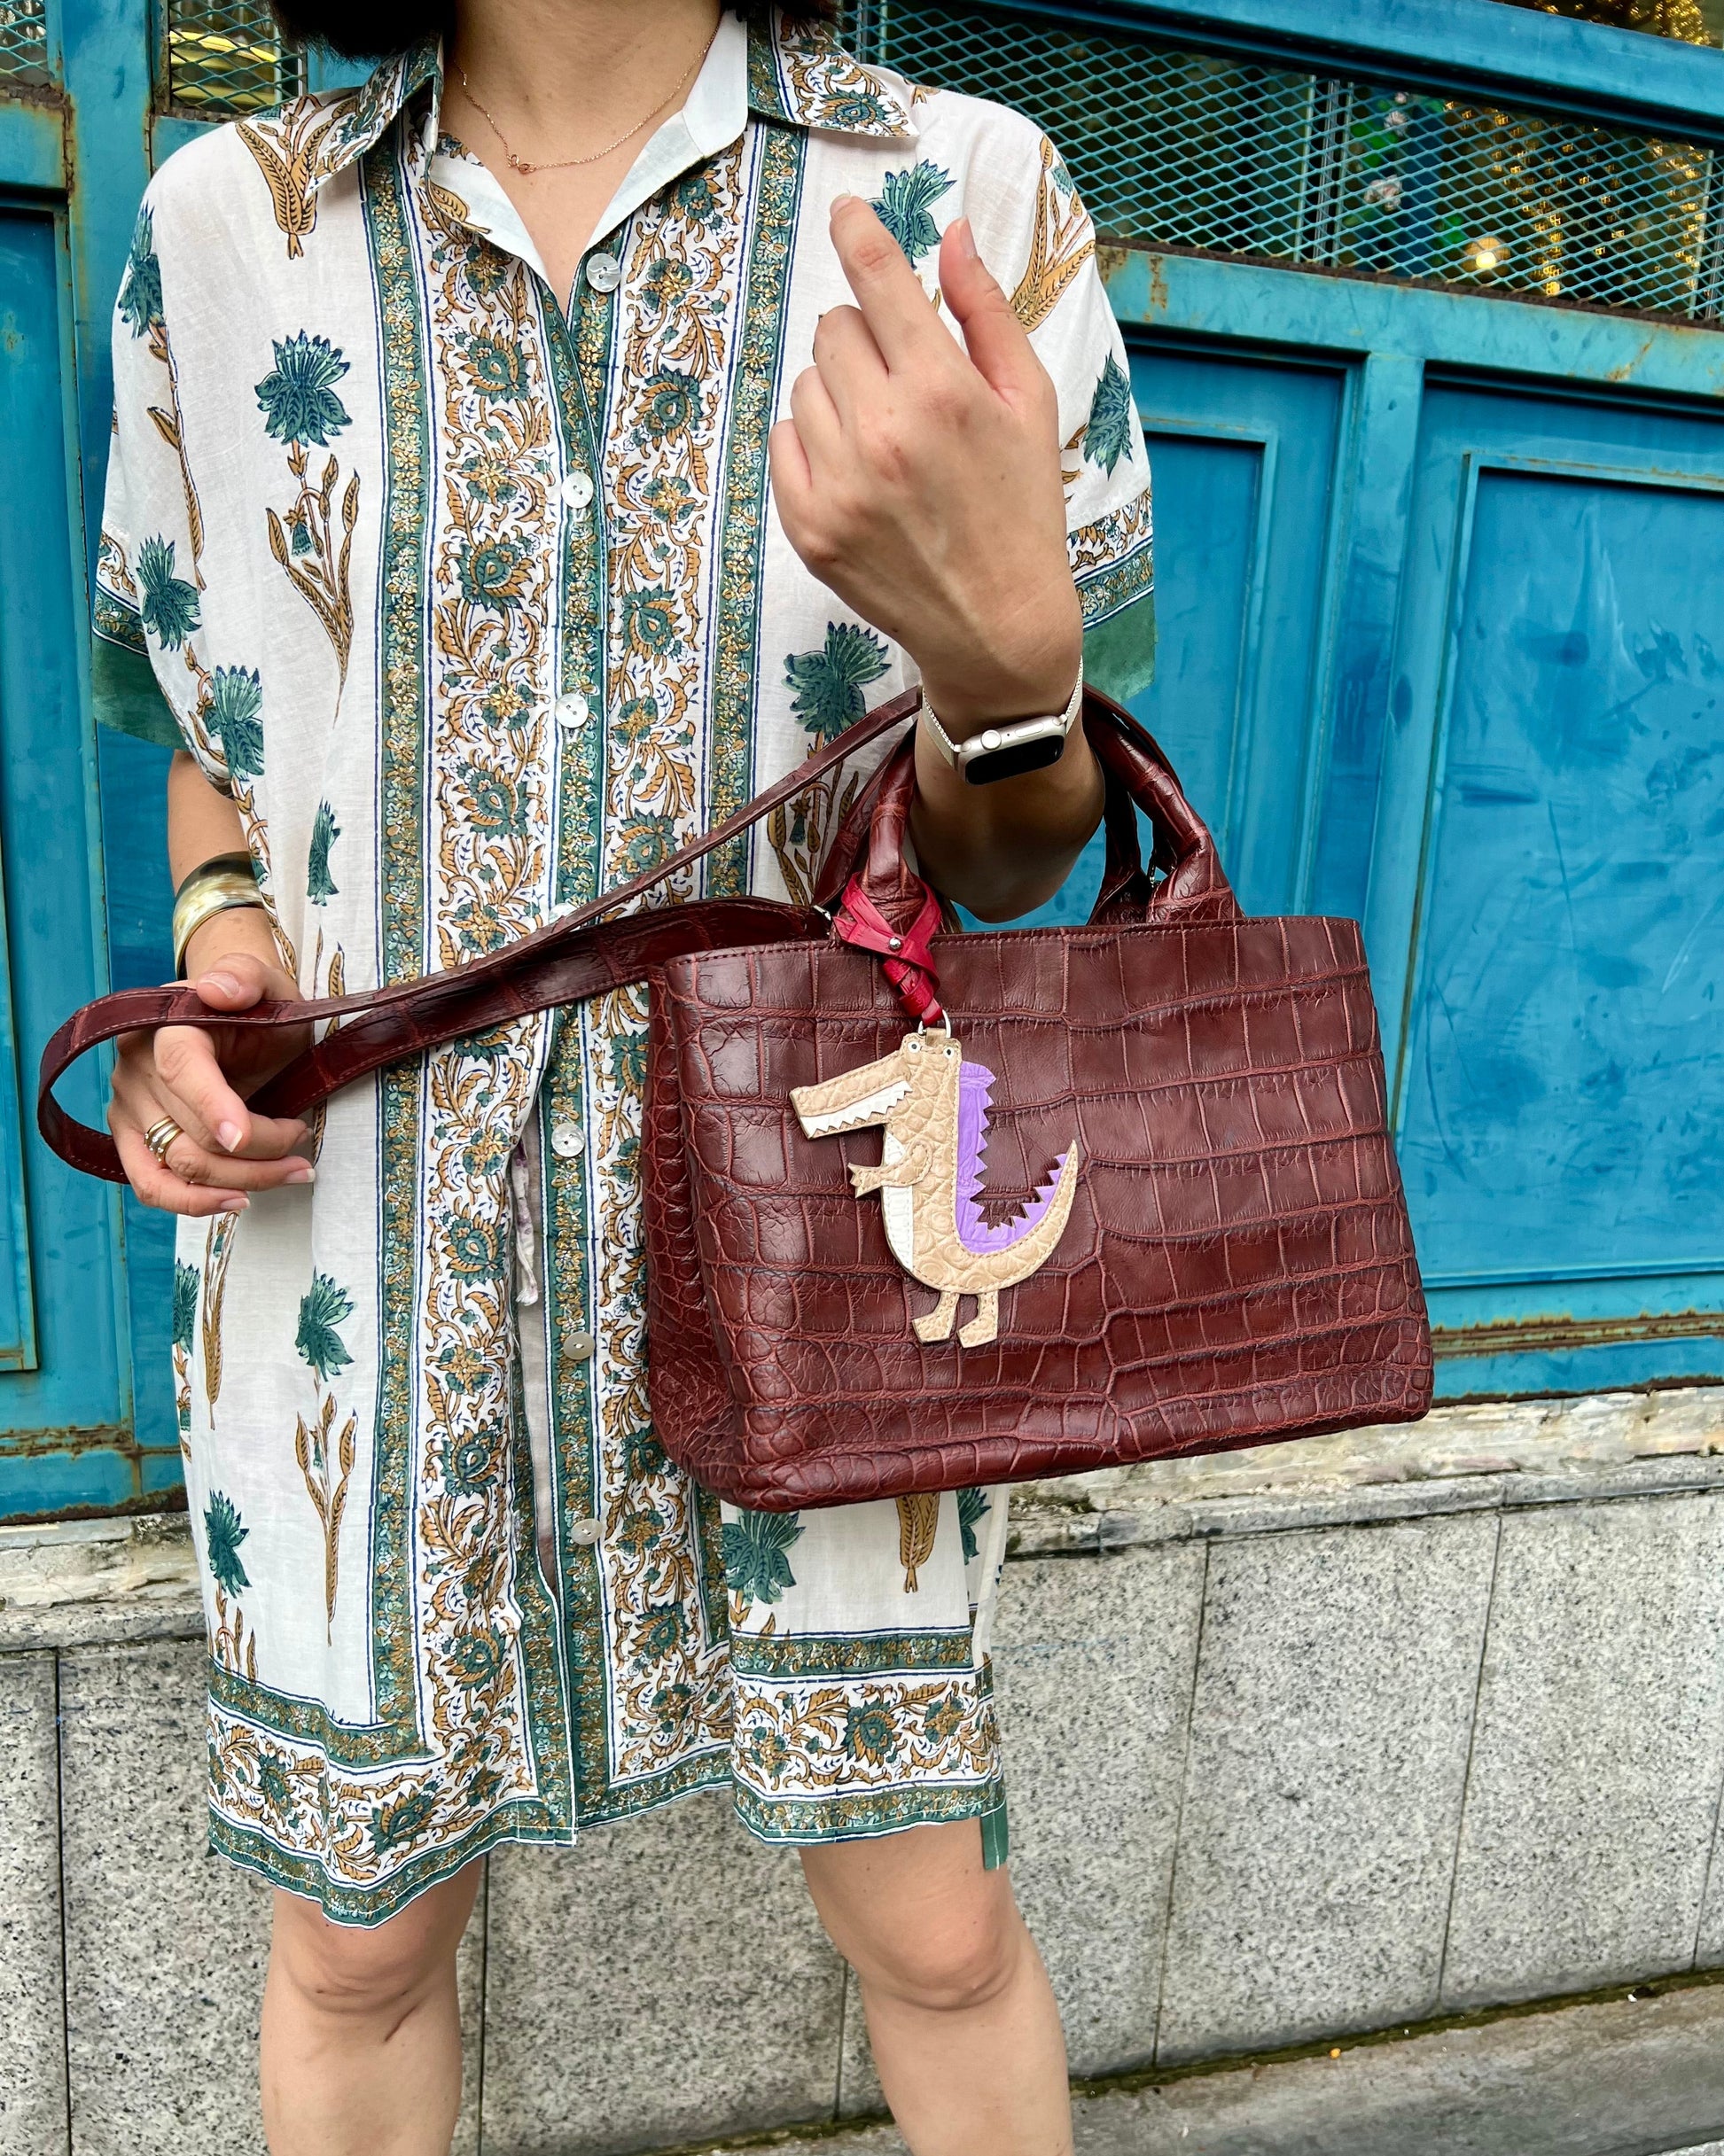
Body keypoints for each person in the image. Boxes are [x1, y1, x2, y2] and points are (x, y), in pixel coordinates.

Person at [92, 0, 1156, 2146]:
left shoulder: (958, 197)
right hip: (356, 1266)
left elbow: (1013, 849)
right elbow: (223, 728)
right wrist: (220, 955)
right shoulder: (227, 226)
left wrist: (1014, 676)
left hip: (825, 1242)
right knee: (358, 1940)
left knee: (933, 1915)